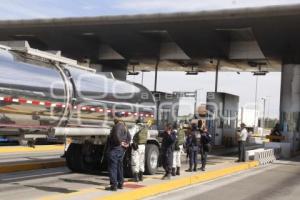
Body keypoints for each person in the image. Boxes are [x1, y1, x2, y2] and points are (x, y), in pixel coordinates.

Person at [106, 114, 131, 191]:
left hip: (115, 148)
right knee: (120, 166)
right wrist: (126, 143)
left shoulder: (117, 126)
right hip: (121, 150)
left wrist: (120, 142)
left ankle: (114, 186)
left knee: (113, 167)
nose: (113, 120)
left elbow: (116, 136)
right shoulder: (125, 126)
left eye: (114, 118)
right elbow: (129, 137)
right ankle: (120, 184)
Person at [131, 118, 147, 182]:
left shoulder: (136, 127)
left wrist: (132, 143)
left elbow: (130, 134)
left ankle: (136, 177)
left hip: (136, 146)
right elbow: (147, 136)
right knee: (141, 161)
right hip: (143, 146)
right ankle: (141, 176)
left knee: (135, 160)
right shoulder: (145, 127)